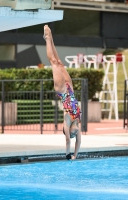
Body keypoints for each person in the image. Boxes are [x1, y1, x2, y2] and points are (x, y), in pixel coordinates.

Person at [44, 25, 81, 160]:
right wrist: (75, 156)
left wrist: (68, 154)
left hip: (63, 91)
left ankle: (47, 39)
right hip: (70, 89)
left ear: (68, 130)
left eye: (71, 134)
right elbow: (79, 142)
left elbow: (68, 142)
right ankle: (51, 37)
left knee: (53, 62)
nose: (74, 134)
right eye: (74, 134)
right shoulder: (78, 121)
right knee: (59, 62)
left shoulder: (67, 121)